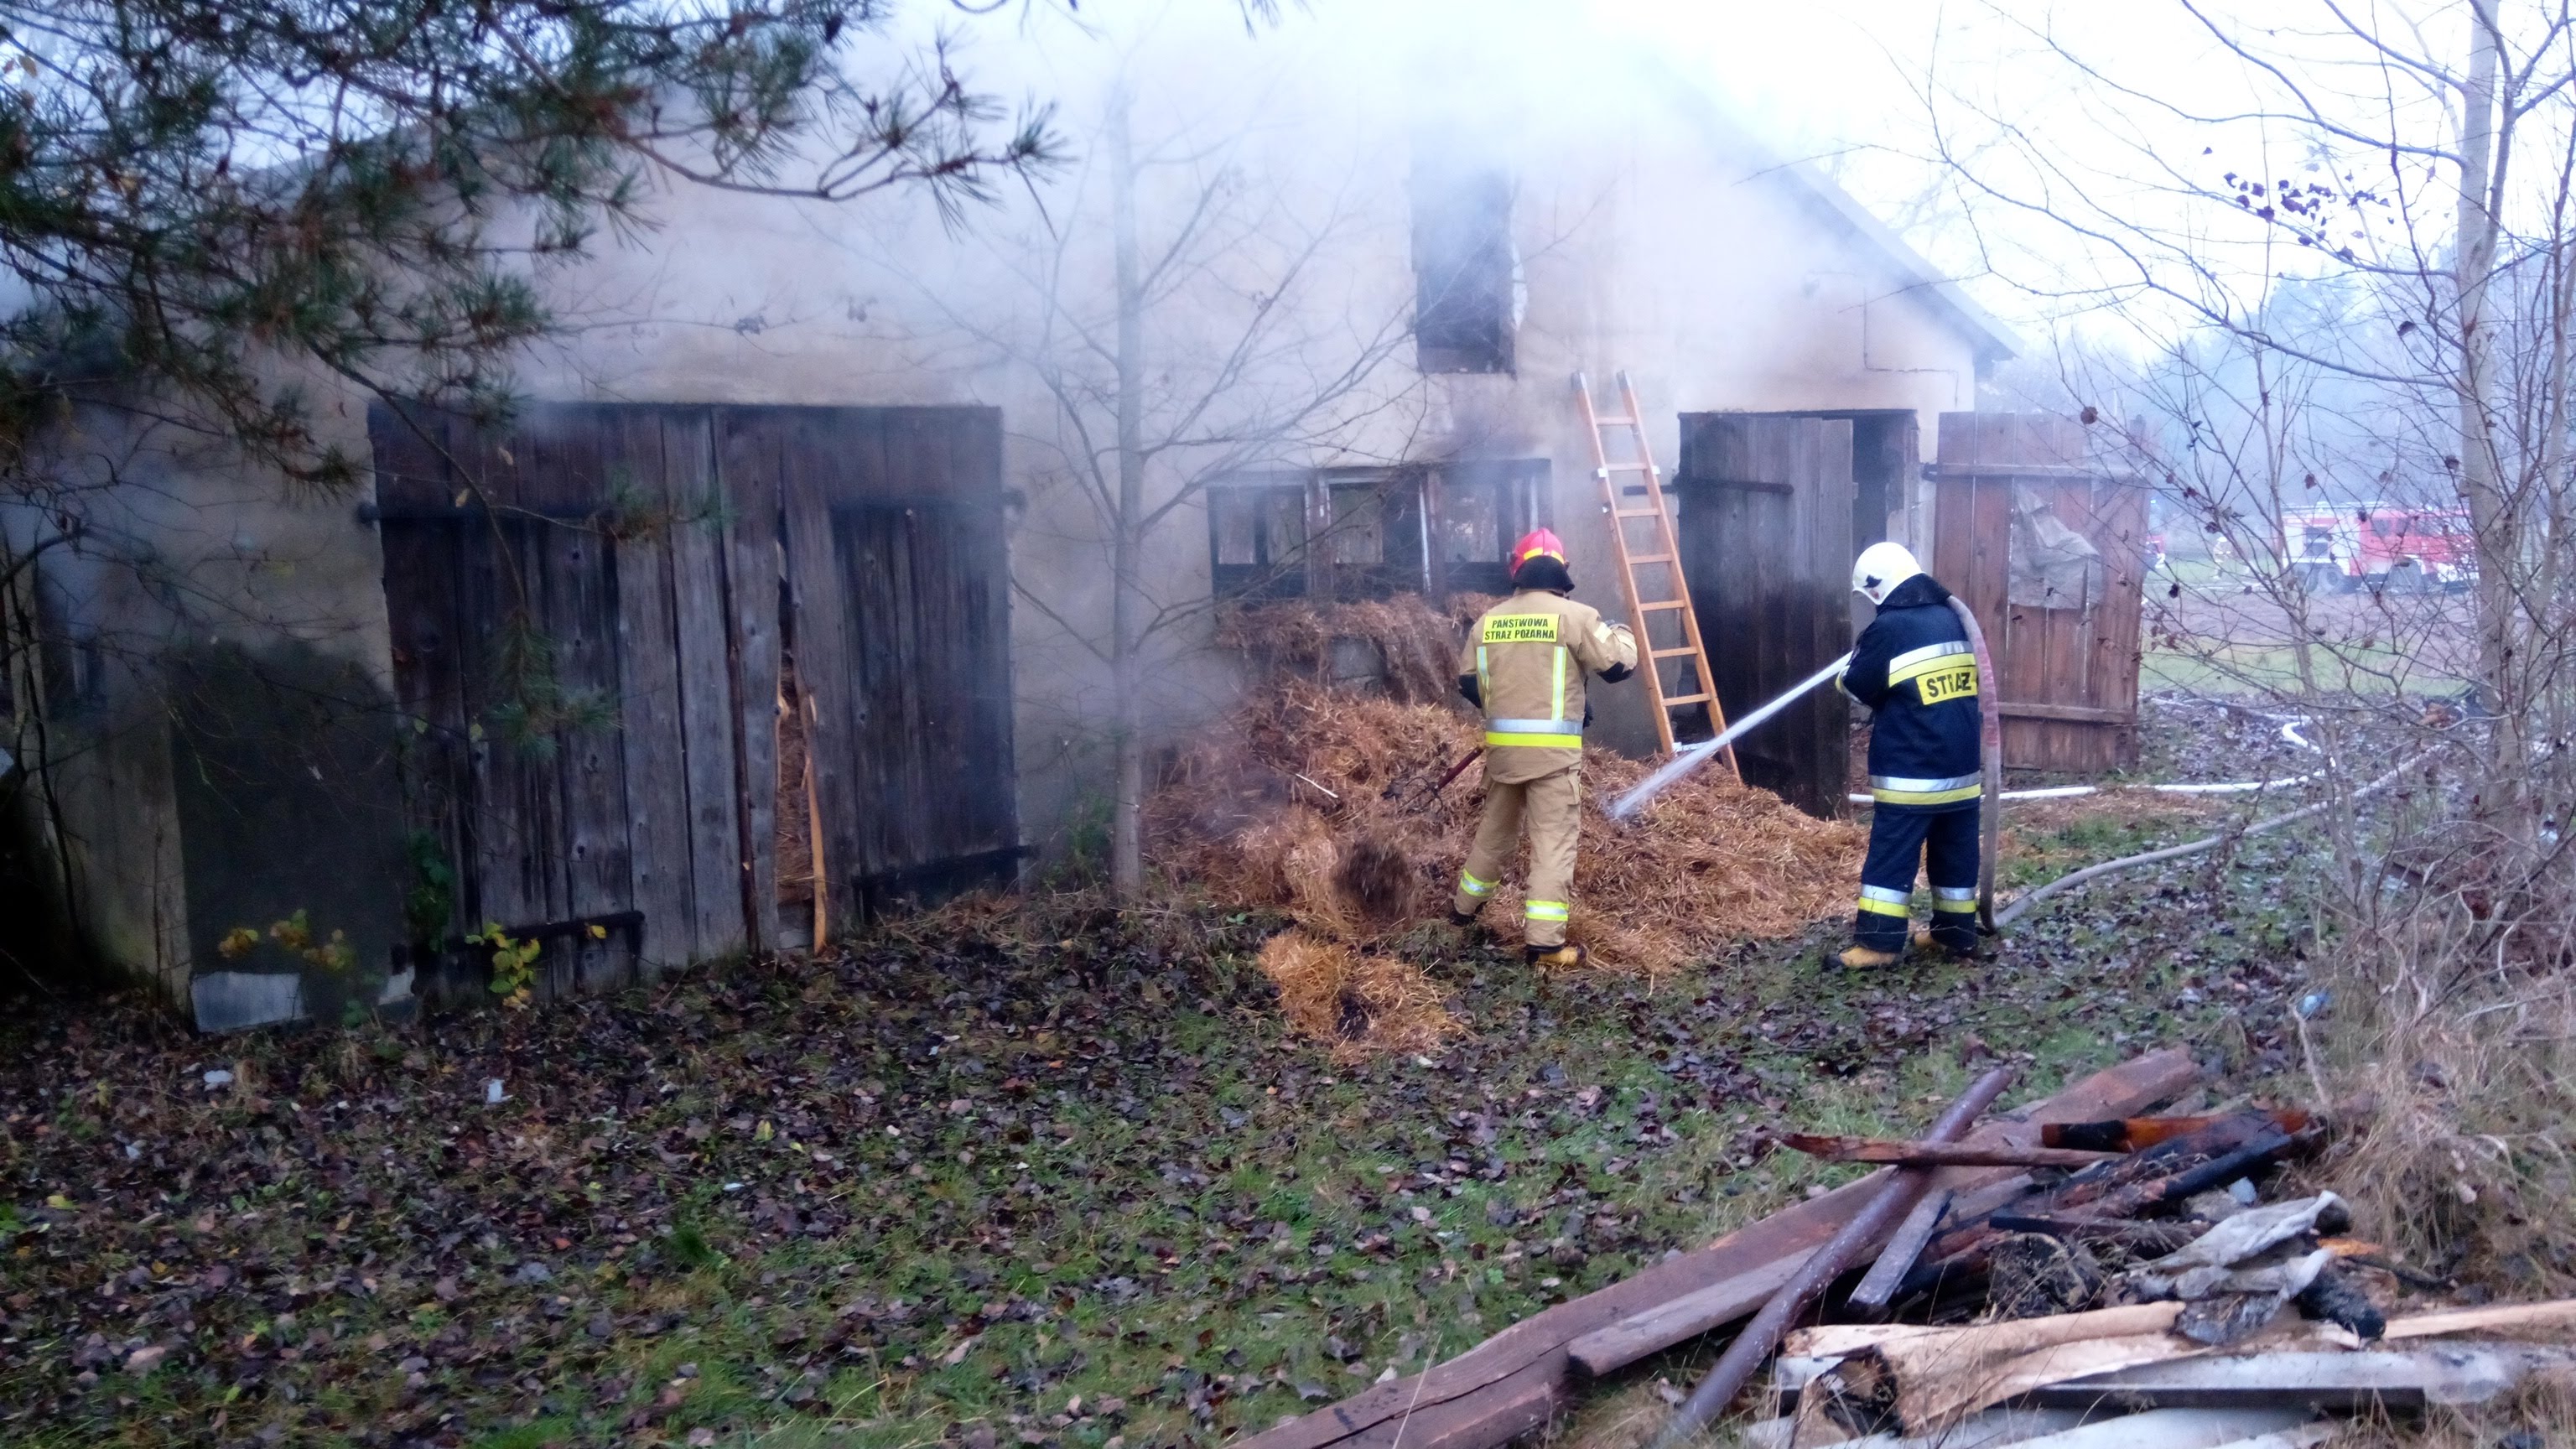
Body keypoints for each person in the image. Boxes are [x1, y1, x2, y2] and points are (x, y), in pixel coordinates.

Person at [1450, 527, 1639, 968]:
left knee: (1494, 836)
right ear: (1562, 570)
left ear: (1515, 569)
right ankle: (1546, 946)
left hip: (1504, 755)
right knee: (1553, 844)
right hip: (1553, 761)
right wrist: (1621, 631)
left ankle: (1461, 912)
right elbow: (1618, 666)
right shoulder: (1576, 616)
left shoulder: (1488, 621)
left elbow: (1469, 684)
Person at [1838, 540, 1984, 969]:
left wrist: (1847, 671)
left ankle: (1878, 945)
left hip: (1912, 773)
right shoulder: (1954, 618)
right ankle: (1954, 935)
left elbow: (1857, 687)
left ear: (1877, 588)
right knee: (1955, 854)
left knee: (1892, 857)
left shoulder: (1890, 628)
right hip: (1961, 770)